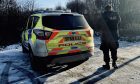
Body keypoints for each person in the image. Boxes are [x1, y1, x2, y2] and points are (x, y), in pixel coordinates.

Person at [97, 5, 121, 69]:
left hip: (105, 36)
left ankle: (107, 65)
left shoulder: (102, 15)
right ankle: (114, 63)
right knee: (114, 50)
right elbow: (119, 21)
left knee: (105, 51)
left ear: (105, 9)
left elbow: (99, 24)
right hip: (114, 36)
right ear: (111, 8)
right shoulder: (116, 14)